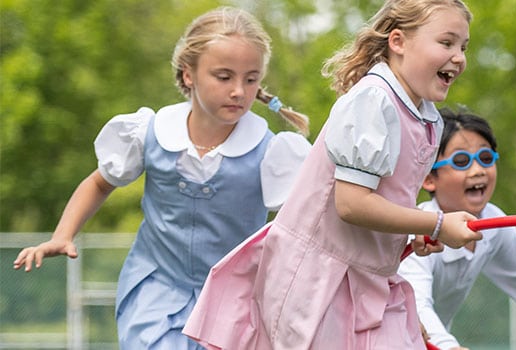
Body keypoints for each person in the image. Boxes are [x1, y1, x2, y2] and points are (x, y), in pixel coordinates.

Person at [182, 1, 482, 348]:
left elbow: (389, 197)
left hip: (371, 281)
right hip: (318, 285)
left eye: (463, 47)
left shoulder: (425, 116)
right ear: (398, 42)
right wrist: (434, 223)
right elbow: (352, 204)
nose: (459, 57)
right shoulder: (373, 101)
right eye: (446, 43)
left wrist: (413, 231)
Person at [10, 6, 311, 349]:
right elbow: (99, 182)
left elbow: (299, 229)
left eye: (251, 78)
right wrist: (63, 235)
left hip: (234, 298)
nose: (239, 91)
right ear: (188, 75)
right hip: (156, 287)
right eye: (224, 77)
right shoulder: (150, 133)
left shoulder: (270, 152)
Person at [399, 108, 516, 350]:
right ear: (428, 178)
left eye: (486, 158)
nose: (478, 169)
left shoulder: (493, 222)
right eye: (461, 161)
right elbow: (415, 302)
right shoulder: (419, 228)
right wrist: (447, 345)